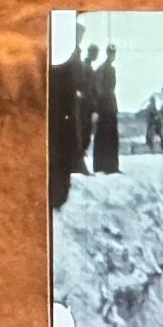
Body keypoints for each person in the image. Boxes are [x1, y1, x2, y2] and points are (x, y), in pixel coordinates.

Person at [48, 30, 91, 210]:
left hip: (65, 110)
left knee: (65, 150)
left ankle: (59, 193)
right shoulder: (63, 58)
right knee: (62, 151)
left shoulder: (68, 57)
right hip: (62, 111)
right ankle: (57, 195)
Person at [88, 44, 121, 174]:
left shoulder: (106, 68)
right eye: (111, 53)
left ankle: (108, 166)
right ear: (108, 54)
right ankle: (105, 166)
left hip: (108, 106)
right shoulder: (104, 69)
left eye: (114, 54)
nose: (113, 56)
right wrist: (102, 103)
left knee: (107, 136)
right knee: (105, 136)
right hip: (106, 106)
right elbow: (100, 89)